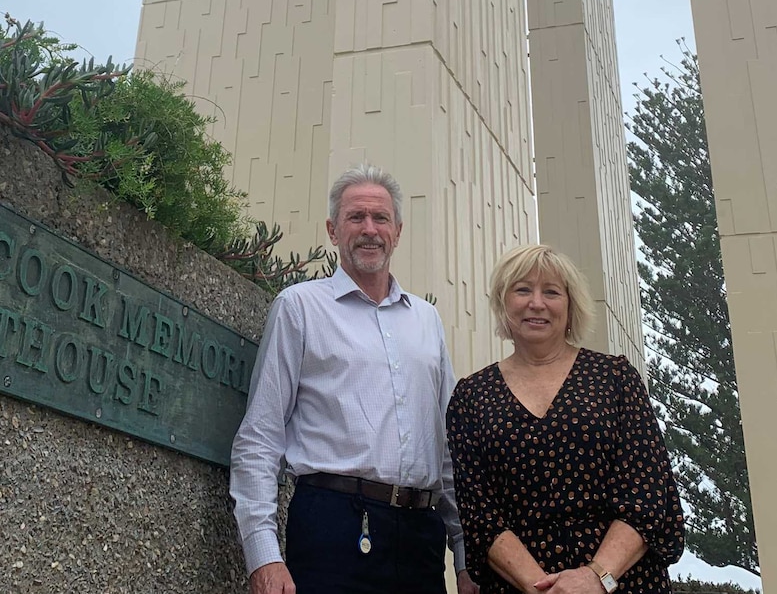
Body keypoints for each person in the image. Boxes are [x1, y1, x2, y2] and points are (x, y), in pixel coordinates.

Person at [230, 163, 479, 594]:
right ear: (332, 229)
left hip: (421, 538)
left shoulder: (427, 321)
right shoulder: (299, 308)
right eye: (355, 217)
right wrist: (263, 555)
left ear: (397, 230)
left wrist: (463, 555)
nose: (369, 229)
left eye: (380, 218)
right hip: (332, 529)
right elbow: (260, 436)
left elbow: (446, 451)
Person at [446, 243, 685, 594]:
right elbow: (480, 517)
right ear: (503, 302)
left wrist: (594, 578)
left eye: (552, 292)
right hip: (520, 586)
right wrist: (543, 588)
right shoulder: (471, 397)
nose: (536, 303)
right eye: (522, 289)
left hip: (622, 582)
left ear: (571, 306)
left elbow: (648, 497)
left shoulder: (615, 379)